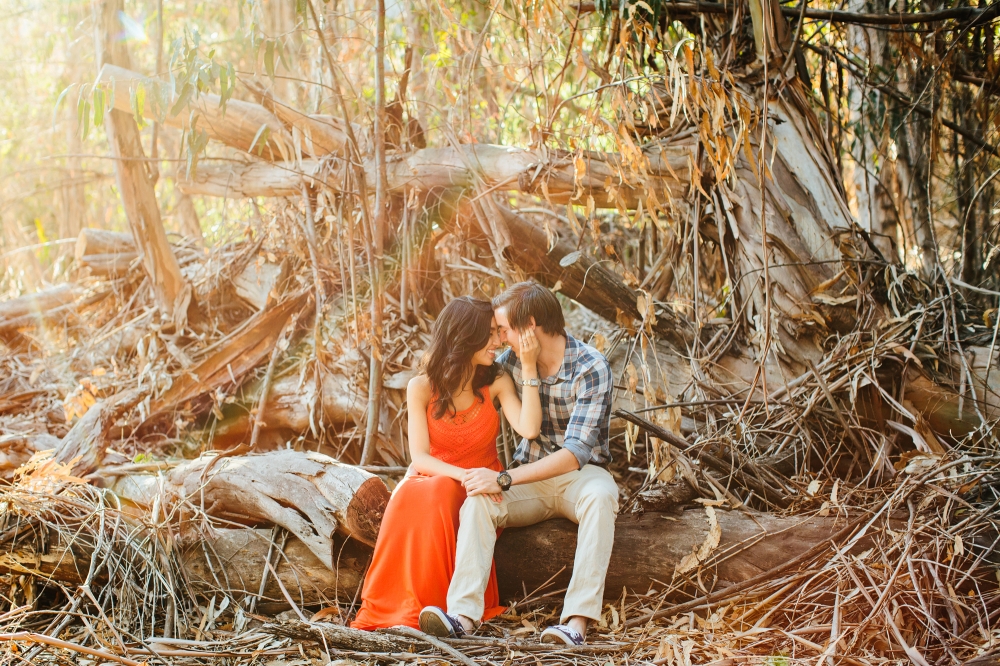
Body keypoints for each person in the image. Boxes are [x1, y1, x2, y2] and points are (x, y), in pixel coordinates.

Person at [419, 281, 618, 646]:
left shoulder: (591, 367)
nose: (499, 338)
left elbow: (574, 454)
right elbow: (461, 378)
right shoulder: (508, 363)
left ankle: (576, 624)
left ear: (528, 325)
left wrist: (504, 478)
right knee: (479, 499)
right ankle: (463, 616)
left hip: (580, 476)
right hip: (530, 477)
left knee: (602, 498)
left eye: (504, 329)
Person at [351, 296, 541, 630]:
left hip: (483, 485)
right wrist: (460, 475)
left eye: (499, 333)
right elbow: (420, 457)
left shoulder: (496, 382)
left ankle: (442, 609)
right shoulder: (421, 386)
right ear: (464, 336)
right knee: (411, 493)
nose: (498, 341)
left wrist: (528, 367)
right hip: (439, 476)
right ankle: (400, 607)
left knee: (435, 490)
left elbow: (529, 428)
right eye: (491, 333)